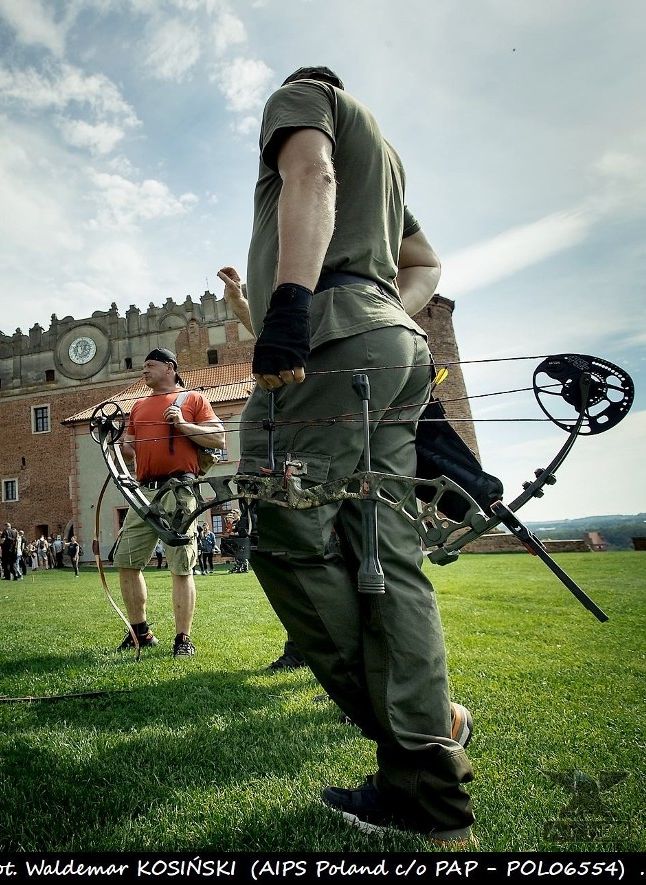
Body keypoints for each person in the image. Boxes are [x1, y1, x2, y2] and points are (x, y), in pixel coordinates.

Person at [217, 65, 474, 844]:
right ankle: (428, 798)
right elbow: (426, 259)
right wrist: (384, 311)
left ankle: (427, 743)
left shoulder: (305, 99)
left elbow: (310, 171)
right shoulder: (387, 157)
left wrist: (293, 301)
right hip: (395, 348)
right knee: (389, 558)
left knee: (280, 529)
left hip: (325, 340)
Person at [112, 347, 225, 657]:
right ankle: (140, 632)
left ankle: (183, 639)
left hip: (180, 490)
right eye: (143, 365)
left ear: (170, 368)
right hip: (144, 493)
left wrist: (184, 426)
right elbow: (130, 449)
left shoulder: (193, 399)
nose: (144, 370)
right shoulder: (137, 407)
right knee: (127, 561)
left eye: (151, 365)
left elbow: (219, 439)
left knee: (181, 565)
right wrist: (116, 444)